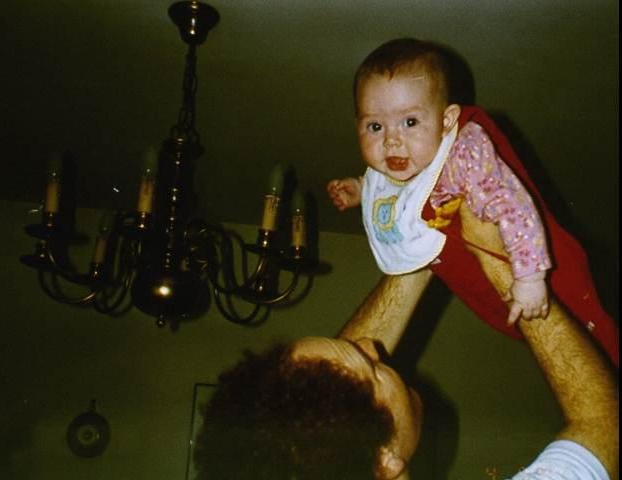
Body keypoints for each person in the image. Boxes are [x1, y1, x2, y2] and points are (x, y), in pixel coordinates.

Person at [193, 205, 619, 479]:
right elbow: (605, 424)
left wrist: (426, 243)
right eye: (373, 369)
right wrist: (500, 262)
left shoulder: (345, 455)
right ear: (383, 461)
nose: (372, 346)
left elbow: (331, 399)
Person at [327, 38, 618, 367]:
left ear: (447, 121)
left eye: (410, 122)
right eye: (375, 126)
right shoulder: (405, 164)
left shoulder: (463, 155)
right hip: (494, 295)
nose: (392, 140)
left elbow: (513, 207)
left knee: (602, 349)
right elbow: (397, 188)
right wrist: (362, 189)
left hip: (547, 275)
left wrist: (530, 277)